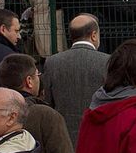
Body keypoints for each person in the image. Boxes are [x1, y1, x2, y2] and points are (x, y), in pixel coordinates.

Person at [43, 15, 109, 146]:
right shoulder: (108, 61)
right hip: (99, 135)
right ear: (94, 35)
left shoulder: (52, 62)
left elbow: (48, 102)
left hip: (63, 137)